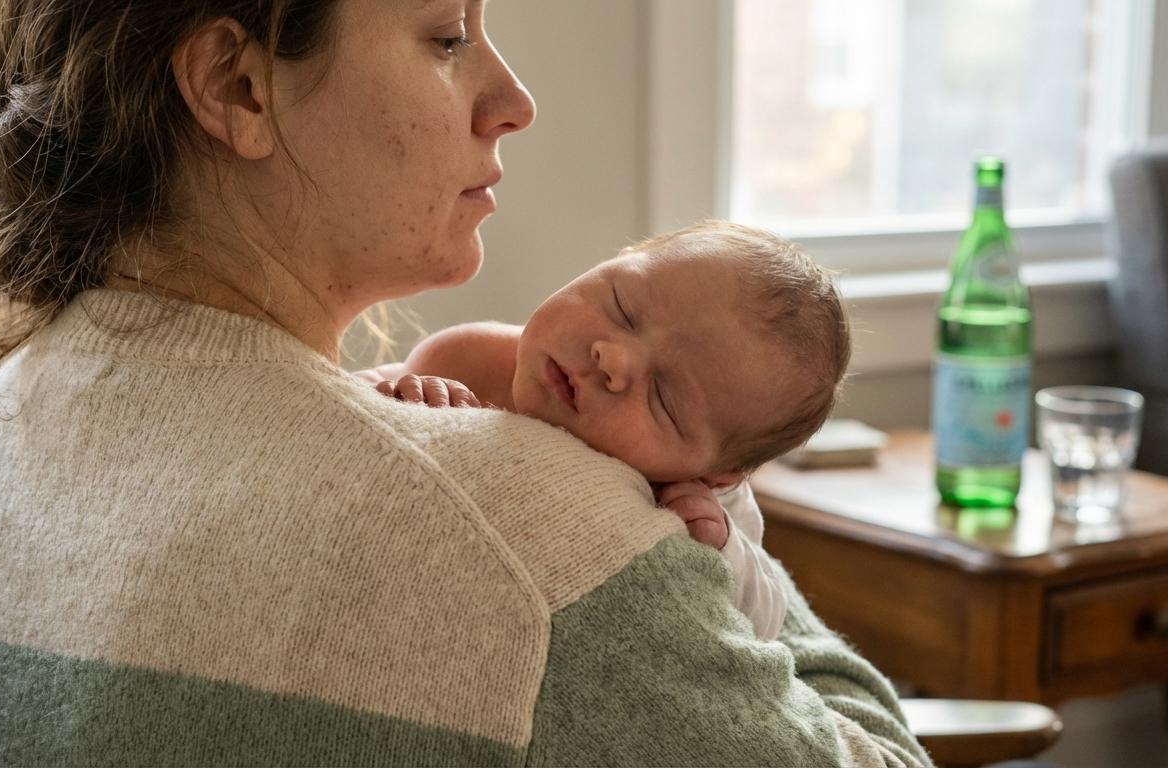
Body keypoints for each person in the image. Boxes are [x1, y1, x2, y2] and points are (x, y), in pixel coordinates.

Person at [0, 1, 933, 765]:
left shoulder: (3, 414)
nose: (514, 99)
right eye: (447, 36)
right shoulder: (554, 545)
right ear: (238, 86)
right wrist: (718, 495)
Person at [362, 220, 845, 642]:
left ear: (718, 473)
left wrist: (722, 550)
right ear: (615, 261)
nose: (612, 358)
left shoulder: (696, 498)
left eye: (663, 396)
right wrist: (400, 395)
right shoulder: (469, 358)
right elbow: (335, 411)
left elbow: (763, 623)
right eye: (621, 308)